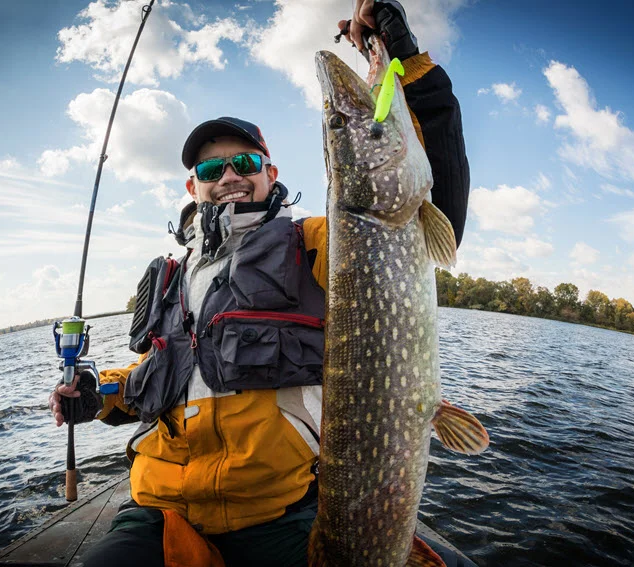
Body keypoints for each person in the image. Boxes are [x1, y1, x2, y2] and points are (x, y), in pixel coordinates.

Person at [48, 1, 470, 565]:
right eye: (209, 170)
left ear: (270, 173)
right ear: (192, 187)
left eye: (243, 162)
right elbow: (158, 374)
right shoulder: (172, 279)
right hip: (160, 508)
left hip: (277, 513)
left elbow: (426, 192)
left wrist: (408, 62)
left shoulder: (323, 242)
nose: (227, 177)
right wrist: (94, 395)